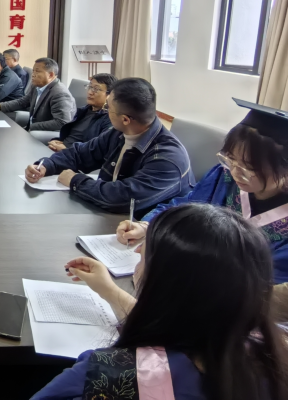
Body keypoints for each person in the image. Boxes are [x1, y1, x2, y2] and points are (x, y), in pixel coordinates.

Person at [32, 203, 288, 400]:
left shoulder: (109, 373)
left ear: (164, 284)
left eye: (143, 256)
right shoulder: (273, 356)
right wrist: (109, 290)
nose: (137, 259)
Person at [121, 98, 288, 285]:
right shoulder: (223, 176)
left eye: (249, 168)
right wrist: (146, 225)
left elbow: (273, 283)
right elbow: (184, 207)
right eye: (231, 160)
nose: (235, 172)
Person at [25, 78, 193, 214]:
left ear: (125, 119)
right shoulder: (118, 133)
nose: (105, 111)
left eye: (108, 107)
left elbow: (122, 198)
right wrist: (46, 165)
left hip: (144, 232)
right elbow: (80, 154)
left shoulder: (168, 158)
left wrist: (75, 181)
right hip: (110, 218)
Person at [0, 57, 75, 132]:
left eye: (37, 71)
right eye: (33, 71)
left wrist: (30, 127)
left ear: (50, 75)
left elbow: (62, 122)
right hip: (32, 129)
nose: (33, 75)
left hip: (46, 134)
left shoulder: (60, 93)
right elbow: (23, 102)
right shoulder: (37, 86)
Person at [47, 73, 116, 151]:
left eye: (96, 89)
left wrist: (66, 150)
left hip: (74, 155)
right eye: (90, 87)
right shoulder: (83, 110)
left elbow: (98, 149)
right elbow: (72, 135)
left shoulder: (109, 119)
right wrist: (57, 140)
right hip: (63, 150)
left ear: (110, 95)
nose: (90, 92)